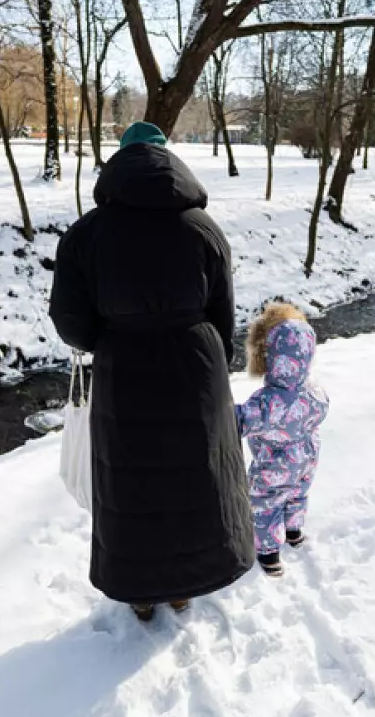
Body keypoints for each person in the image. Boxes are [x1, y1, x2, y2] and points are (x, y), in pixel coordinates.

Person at [49, 122, 254, 621]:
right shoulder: (204, 228)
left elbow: (70, 322)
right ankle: (185, 585)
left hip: (125, 370)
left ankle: (141, 593)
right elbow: (223, 313)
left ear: (119, 164)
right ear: (171, 162)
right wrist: (213, 362)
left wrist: (112, 337)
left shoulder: (87, 233)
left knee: (133, 482)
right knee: (193, 477)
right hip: (197, 367)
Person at [236, 303, 329, 577]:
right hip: (308, 458)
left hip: (276, 465)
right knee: (297, 494)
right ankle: (294, 531)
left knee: (266, 503)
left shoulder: (268, 402)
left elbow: (240, 421)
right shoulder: (315, 390)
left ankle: (269, 554)